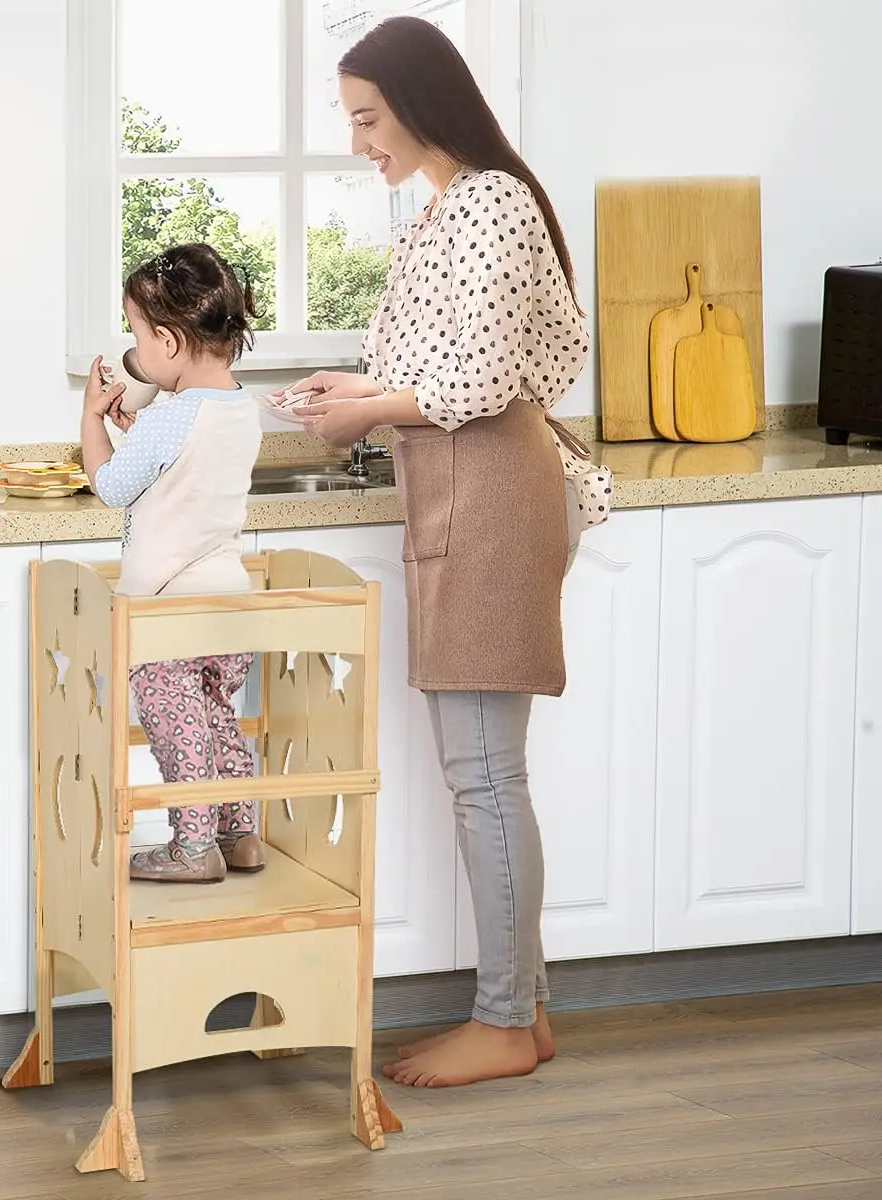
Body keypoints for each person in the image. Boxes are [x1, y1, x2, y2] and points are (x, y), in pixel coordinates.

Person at [289, 17, 612, 1087]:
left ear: (424, 103)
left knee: (482, 774)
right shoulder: (447, 210)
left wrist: (366, 413)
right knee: (484, 770)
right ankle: (527, 1013)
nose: (356, 142)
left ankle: (505, 1022)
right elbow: (456, 370)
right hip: (466, 484)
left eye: (367, 117)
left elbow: (474, 387)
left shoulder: (489, 205)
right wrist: (359, 396)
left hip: (491, 490)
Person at [80, 242, 265, 884]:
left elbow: (111, 485)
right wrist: (139, 431)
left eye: (135, 330)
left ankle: (193, 847)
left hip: (168, 610)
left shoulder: (170, 417)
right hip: (226, 603)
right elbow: (187, 474)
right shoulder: (242, 407)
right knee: (216, 719)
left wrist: (93, 421)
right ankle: (240, 834)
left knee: (177, 729)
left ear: (168, 341)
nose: (133, 344)